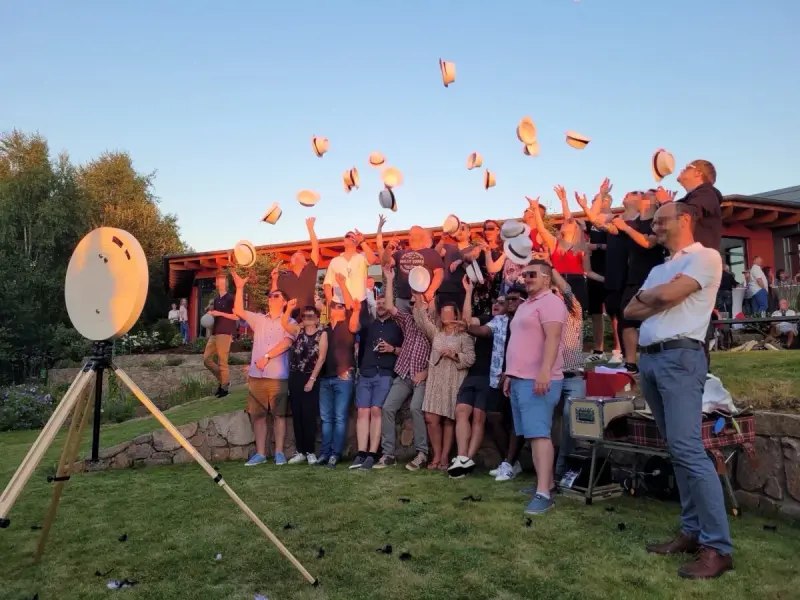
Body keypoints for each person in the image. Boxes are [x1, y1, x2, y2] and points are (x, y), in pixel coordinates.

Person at [624, 201, 732, 580]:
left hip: (681, 357)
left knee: (687, 448)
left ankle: (717, 547)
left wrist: (657, 296)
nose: (654, 225)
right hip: (652, 360)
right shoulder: (658, 267)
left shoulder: (705, 258)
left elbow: (663, 299)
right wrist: (659, 294)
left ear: (684, 220)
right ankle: (691, 531)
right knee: (676, 448)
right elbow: (630, 312)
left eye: (659, 219)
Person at [503, 259, 567, 515]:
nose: (526, 278)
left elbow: (553, 338)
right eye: (524, 274)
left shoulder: (551, 302)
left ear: (546, 278)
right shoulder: (526, 305)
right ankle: (546, 482)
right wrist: (510, 374)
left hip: (538, 379)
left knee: (539, 435)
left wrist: (544, 371)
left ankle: (543, 494)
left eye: (532, 274)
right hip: (521, 378)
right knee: (532, 433)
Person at [230, 272, 295, 466]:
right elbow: (238, 310)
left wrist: (266, 357)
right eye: (270, 295)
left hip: (277, 377)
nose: (271, 298)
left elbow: (286, 343)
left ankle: (279, 453)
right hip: (256, 376)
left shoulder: (289, 322)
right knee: (258, 416)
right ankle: (260, 454)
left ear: (284, 302)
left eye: (276, 296)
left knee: (279, 415)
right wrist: (240, 288)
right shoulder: (259, 319)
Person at [414, 279, 476, 471]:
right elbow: (422, 320)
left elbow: (471, 358)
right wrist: (418, 295)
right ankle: (437, 454)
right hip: (435, 380)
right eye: (444, 312)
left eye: (450, 312)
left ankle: (444, 458)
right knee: (431, 418)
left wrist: (455, 355)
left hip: (453, 380)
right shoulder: (437, 334)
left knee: (449, 419)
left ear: (456, 315)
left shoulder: (465, 336)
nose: (447, 315)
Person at [375, 265, 431, 471]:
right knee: (388, 408)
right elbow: (390, 307)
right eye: (412, 302)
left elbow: (437, 352)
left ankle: (422, 453)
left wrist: (425, 373)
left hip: (422, 375)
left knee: (416, 408)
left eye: (416, 301)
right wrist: (389, 279)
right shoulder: (407, 320)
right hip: (404, 373)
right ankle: (388, 454)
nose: (413, 304)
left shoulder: (432, 323)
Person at [612, 190, 667, 374]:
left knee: (652, 320)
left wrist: (626, 228)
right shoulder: (634, 222)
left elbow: (648, 243)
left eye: (647, 194)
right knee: (626, 318)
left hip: (654, 276)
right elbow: (601, 223)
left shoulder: (657, 223)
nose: (643, 196)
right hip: (633, 277)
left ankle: (653, 359)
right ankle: (630, 363)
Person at [527, 189, 604, 312]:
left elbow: (588, 272)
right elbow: (541, 229)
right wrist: (536, 209)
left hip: (577, 284)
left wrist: (606, 280)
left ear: (575, 229)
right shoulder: (554, 243)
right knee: (556, 316)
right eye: (564, 223)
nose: (565, 223)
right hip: (557, 282)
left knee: (576, 321)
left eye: (569, 223)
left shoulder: (581, 247)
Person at [351, 292, 404, 470]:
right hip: (366, 372)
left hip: (385, 373)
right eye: (378, 302)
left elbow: (405, 351)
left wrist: (392, 349)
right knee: (362, 412)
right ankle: (361, 452)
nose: (381, 305)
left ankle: (372, 453)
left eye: (384, 302)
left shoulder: (398, 327)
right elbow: (353, 330)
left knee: (376, 410)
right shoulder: (368, 325)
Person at [449, 275, 495, 477]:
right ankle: (461, 456)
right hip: (474, 374)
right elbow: (467, 321)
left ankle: (467, 459)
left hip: (491, 377)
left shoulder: (513, 324)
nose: (497, 306)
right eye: (496, 303)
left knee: (478, 416)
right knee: (461, 411)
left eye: (502, 304)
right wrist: (468, 292)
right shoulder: (487, 320)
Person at [317, 273, 361, 469]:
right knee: (326, 418)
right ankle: (325, 454)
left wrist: (343, 284)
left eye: (341, 306)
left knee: (340, 417)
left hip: (343, 377)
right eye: (336, 305)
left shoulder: (349, 324)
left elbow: (352, 306)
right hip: (326, 378)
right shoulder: (326, 330)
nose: (338, 306)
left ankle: (335, 454)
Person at [281, 300, 327, 465]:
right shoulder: (297, 331)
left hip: (311, 377)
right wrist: (289, 309)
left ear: (316, 318)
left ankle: (310, 451)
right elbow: (284, 323)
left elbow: (321, 358)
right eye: (304, 316)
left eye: (310, 316)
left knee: (309, 415)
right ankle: (300, 451)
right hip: (295, 376)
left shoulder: (322, 334)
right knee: (297, 415)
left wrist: (312, 379)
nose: (307, 319)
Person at [575, 179, 614, 363]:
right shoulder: (590, 224)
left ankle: (618, 350)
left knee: (615, 312)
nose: (593, 205)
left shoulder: (613, 220)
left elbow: (613, 246)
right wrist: (599, 245)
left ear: (607, 202)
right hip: (593, 271)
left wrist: (598, 246)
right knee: (595, 312)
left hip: (612, 268)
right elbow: (582, 245)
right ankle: (598, 350)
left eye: (596, 201)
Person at [323, 229, 378, 326]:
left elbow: (373, 259)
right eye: (347, 236)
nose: (350, 238)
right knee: (342, 338)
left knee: (363, 336)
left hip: (359, 303)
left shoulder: (362, 257)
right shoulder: (335, 261)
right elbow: (327, 284)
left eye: (353, 237)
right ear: (343, 241)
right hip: (339, 304)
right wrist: (331, 304)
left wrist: (362, 241)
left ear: (357, 243)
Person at [385, 224, 444, 311]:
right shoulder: (400, 253)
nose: (411, 237)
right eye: (410, 234)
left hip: (423, 299)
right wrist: (388, 248)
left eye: (414, 234)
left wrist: (431, 290)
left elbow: (439, 274)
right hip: (402, 299)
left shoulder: (432, 253)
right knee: (403, 324)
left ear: (422, 236)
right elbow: (386, 263)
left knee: (424, 324)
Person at [272, 217, 320, 320]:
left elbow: (315, 249)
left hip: (309, 318)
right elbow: (274, 296)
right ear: (291, 263)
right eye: (294, 255)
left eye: (300, 255)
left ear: (305, 262)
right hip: (289, 319)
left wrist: (310, 228)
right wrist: (274, 280)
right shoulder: (283, 277)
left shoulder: (309, 271)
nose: (297, 254)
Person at [674, 159, 723, 251]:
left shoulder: (707, 193)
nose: (682, 169)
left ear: (698, 173)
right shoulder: (696, 197)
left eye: (687, 167)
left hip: (698, 259)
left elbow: (688, 215)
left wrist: (667, 203)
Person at [205, 271, 239, 398]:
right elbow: (214, 316)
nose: (220, 282)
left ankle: (224, 387)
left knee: (222, 361)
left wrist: (220, 313)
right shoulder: (216, 299)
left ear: (226, 283)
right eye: (218, 279)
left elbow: (236, 316)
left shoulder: (231, 298)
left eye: (222, 280)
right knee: (206, 359)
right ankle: (223, 380)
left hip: (225, 332)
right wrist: (211, 315)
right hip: (215, 332)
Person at [437, 222, 477, 311]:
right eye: (457, 229)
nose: (459, 231)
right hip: (445, 292)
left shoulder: (474, 249)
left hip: (464, 293)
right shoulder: (447, 247)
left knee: (463, 322)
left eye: (462, 229)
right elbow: (435, 254)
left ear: (469, 233)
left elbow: (472, 256)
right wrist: (442, 239)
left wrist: (461, 260)